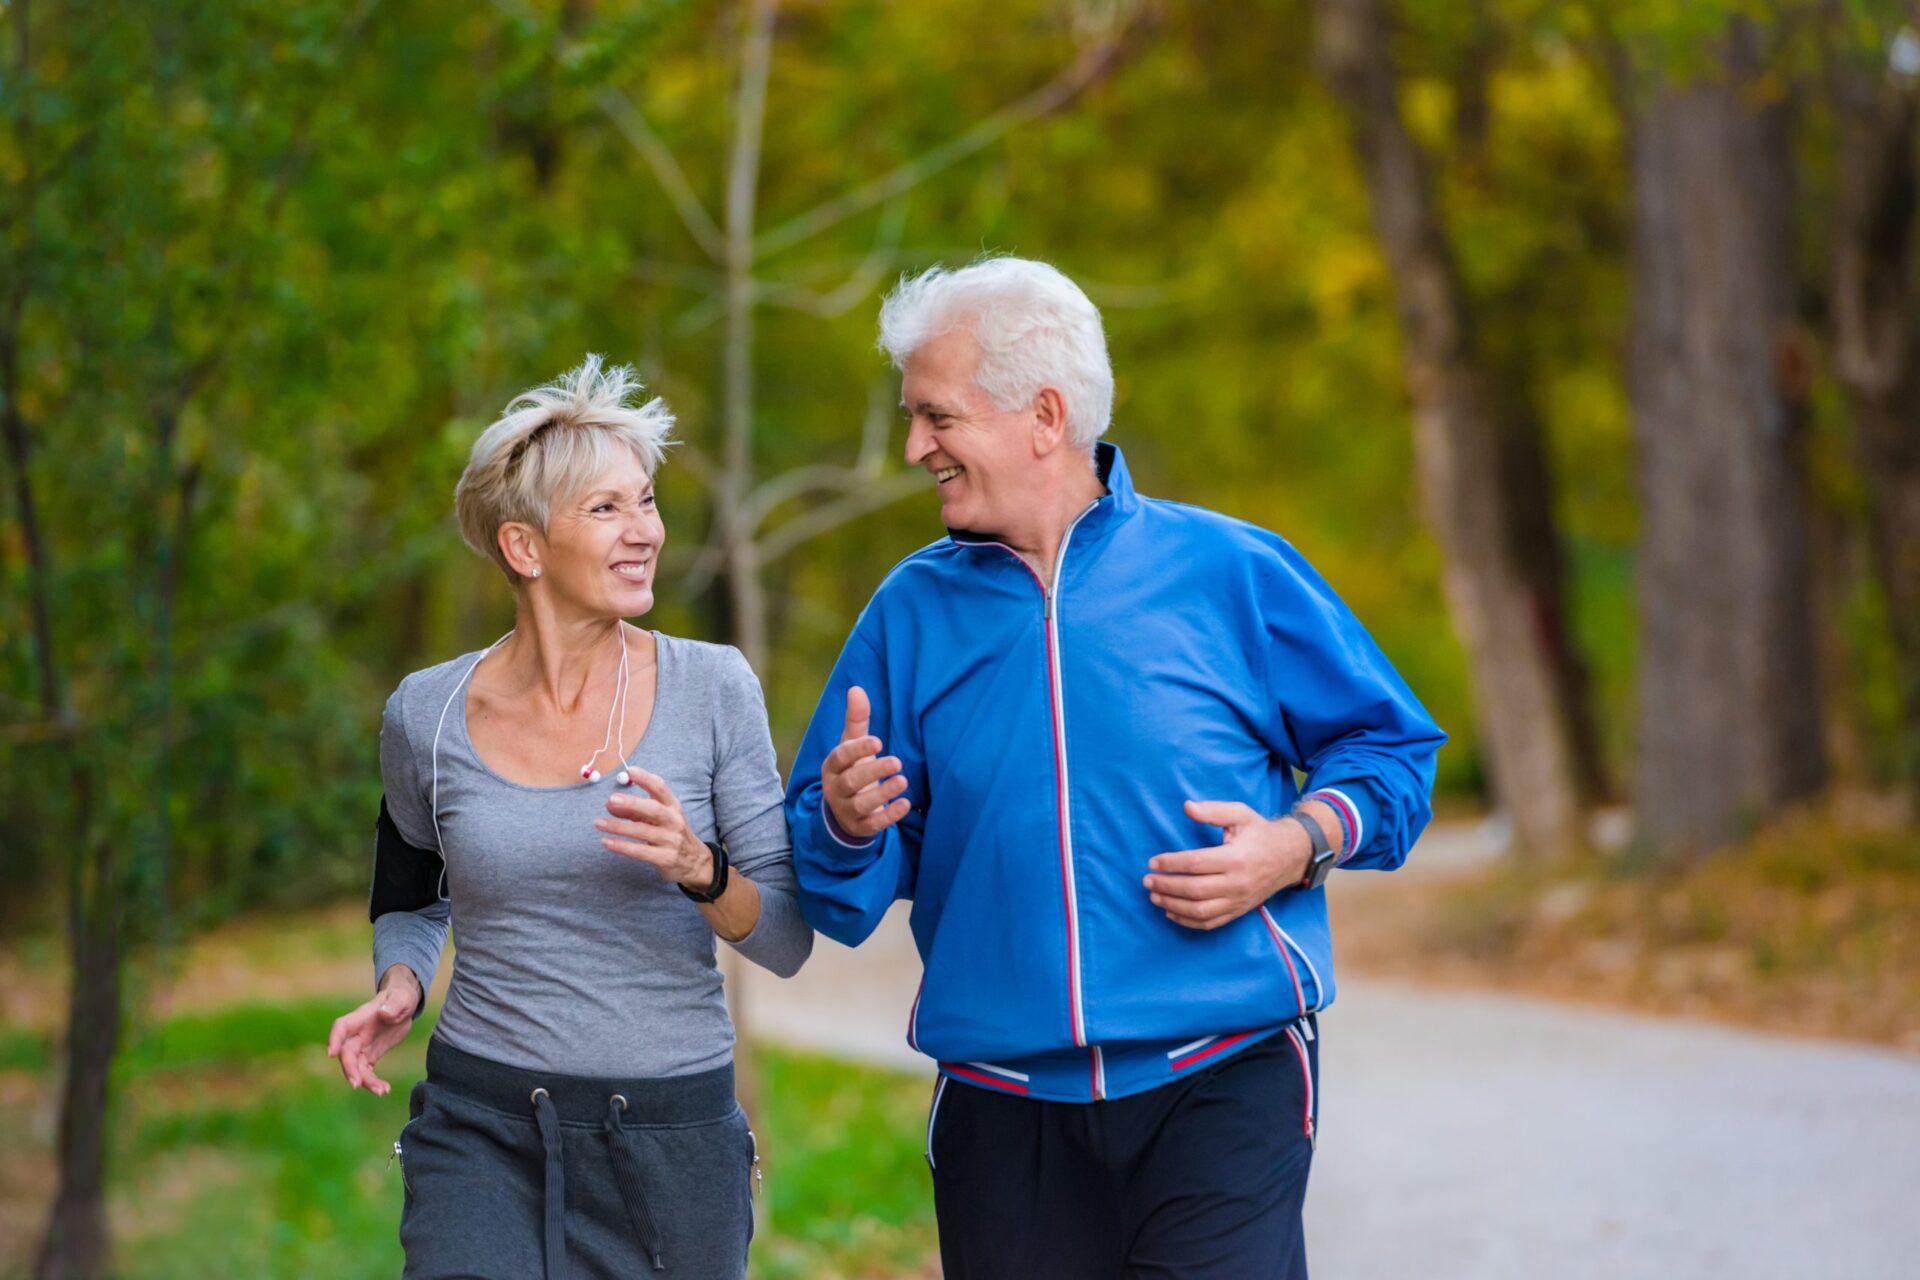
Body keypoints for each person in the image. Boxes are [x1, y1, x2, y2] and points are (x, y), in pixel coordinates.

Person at [785, 258, 1445, 1279]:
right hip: (1003, 1105)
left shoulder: (1231, 570)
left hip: (1221, 1075)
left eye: (936, 415)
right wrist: (843, 823)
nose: (916, 447)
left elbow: (1394, 751)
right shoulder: (908, 613)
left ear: (1044, 415)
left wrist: (1297, 842)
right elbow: (836, 897)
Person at [326, 356, 811, 1280]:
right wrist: (402, 983)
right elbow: (412, 894)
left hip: (673, 1143)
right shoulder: (424, 714)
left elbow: (786, 937)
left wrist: (697, 867)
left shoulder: (714, 690)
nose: (646, 533)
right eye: (606, 510)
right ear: (524, 548)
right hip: (484, 1129)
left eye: (648, 501)